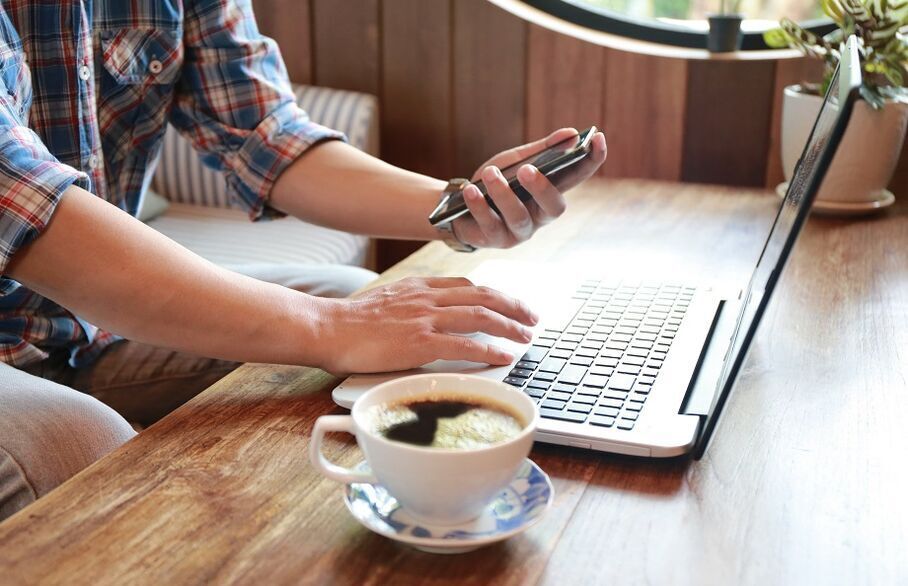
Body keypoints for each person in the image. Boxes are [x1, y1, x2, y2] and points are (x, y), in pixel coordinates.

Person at [0, 1, 607, 520]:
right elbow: (25, 205)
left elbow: (267, 134)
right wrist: (331, 327)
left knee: (368, 310)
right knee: (80, 443)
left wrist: (456, 207)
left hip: (81, 330)